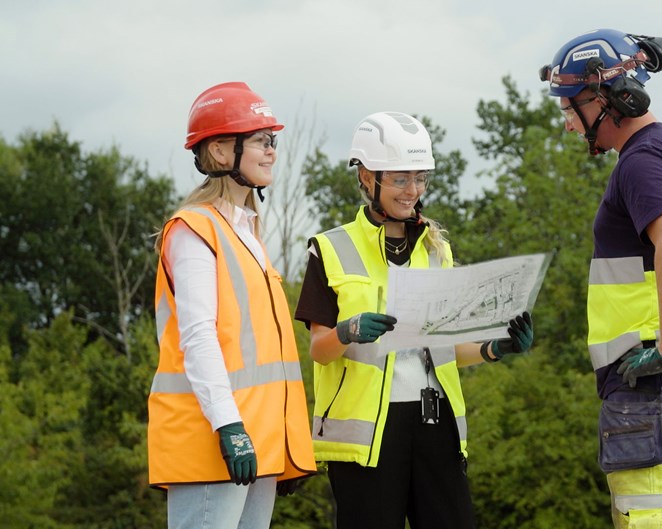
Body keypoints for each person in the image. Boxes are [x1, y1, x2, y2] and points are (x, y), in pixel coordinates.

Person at [294, 111, 534, 529]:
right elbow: (318, 350)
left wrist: (496, 347)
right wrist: (347, 332)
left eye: (420, 178)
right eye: (401, 179)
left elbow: (447, 350)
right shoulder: (329, 249)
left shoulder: (437, 251)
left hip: (436, 424)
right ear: (368, 177)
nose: (413, 191)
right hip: (368, 438)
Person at [540, 30, 662, 528]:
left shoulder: (642, 162)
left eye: (570, 108)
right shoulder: (661, 152)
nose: (569, 126)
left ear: (609, 98)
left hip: (655, 390)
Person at [148, 81, 317, 529]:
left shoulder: (248, 233)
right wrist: (229, 428)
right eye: (262, 141)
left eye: (273, 141)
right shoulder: (194, 228)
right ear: (223, 153)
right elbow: (199, 336)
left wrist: (282, 442)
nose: (271, 152)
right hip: (217, 440)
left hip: (255, 442)